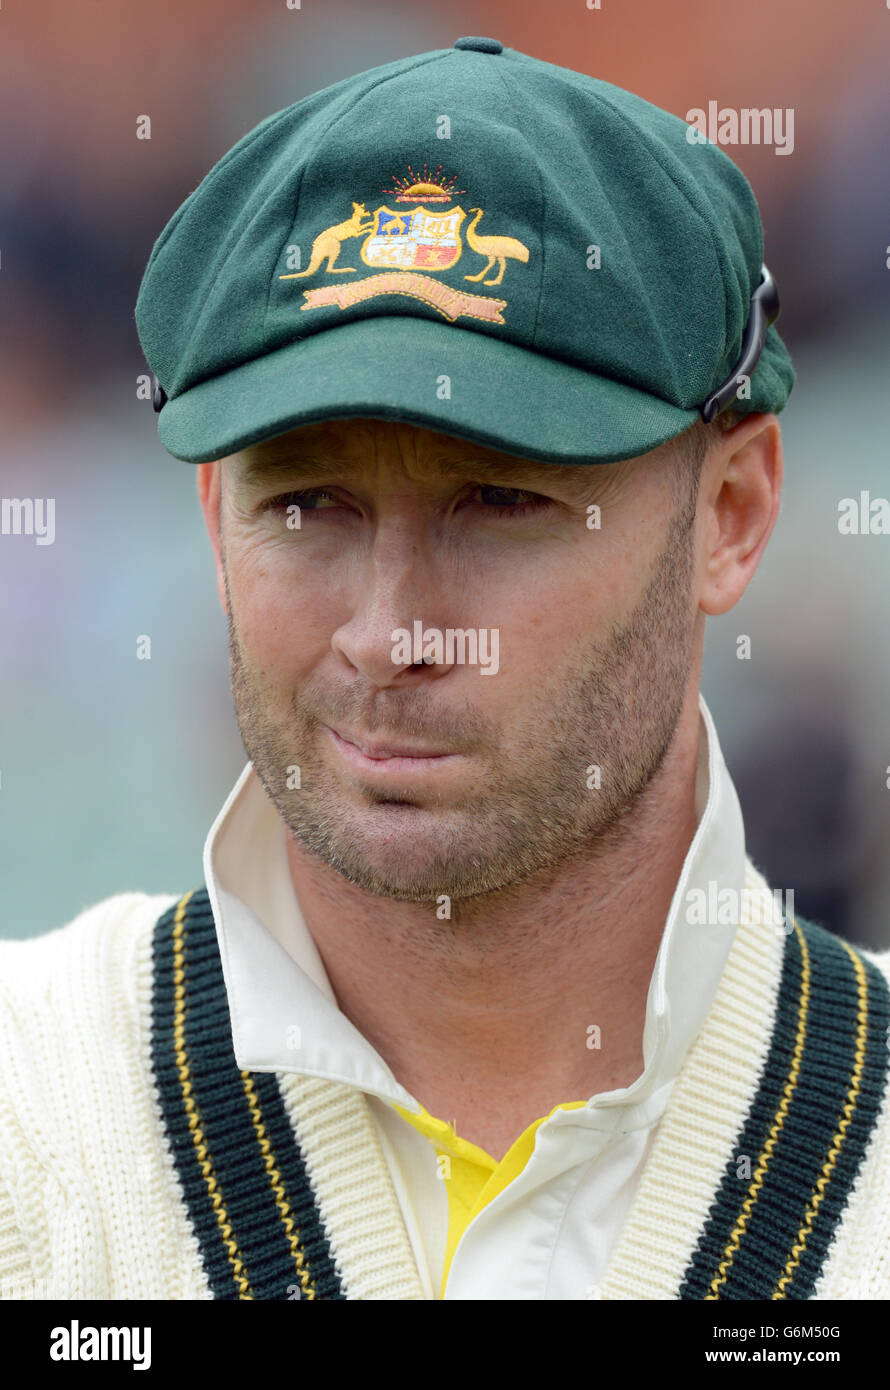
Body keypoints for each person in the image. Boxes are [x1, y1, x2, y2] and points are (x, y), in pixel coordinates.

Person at [1, 36, 887, 1303]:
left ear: (731, 511)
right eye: (306, 506)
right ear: (211, 519)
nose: (386, 630)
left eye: (499, 501)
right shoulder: (28, 1122)